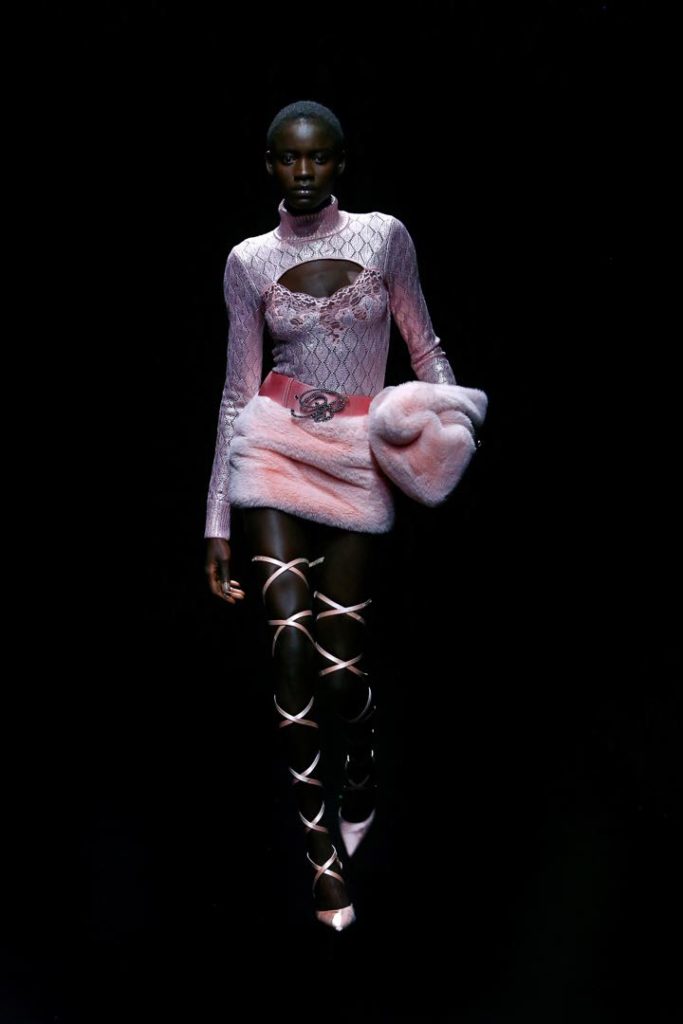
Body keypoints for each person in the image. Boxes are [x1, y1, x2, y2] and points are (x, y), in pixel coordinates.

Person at [204, 99, 486, 931]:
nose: (303, 172)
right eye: (289, 158)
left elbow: (425, 347)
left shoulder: (383, 237)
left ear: (339, 163)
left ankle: (358, 762)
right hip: (273, 445)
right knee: (288, 647)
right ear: (269, 163)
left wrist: (451, 433)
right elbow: (236, 389)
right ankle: (321, 854)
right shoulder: (248, 260)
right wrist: (215, 520)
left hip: (358, 454)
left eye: (318, 158)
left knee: (339, 671)